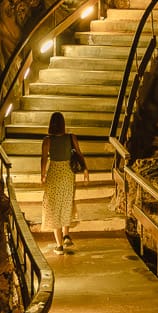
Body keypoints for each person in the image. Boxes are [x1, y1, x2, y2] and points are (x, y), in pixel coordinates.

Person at [40, 109, 88, 255]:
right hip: (68, 173)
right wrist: (85, 171)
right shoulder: (71, 137)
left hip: (54, 172)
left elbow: (43, 158)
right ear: (63, 124)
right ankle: (66, 236)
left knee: (54, 206)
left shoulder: (47, 140)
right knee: (67, 202)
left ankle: (59, 246)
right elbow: (79, 153)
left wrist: (42, 174)